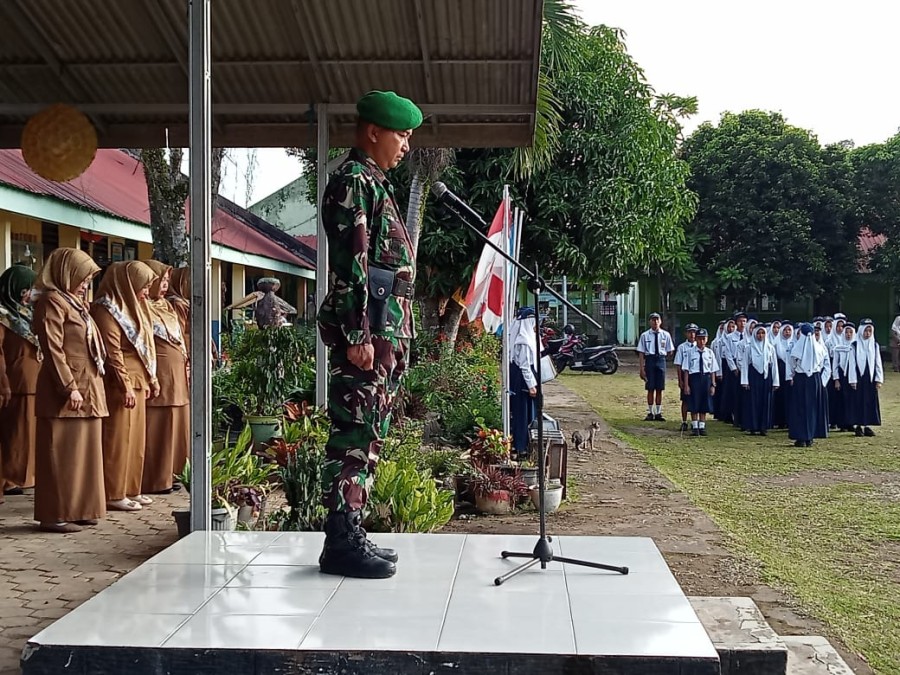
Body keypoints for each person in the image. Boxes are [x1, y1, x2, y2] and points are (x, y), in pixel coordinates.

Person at [316, 90, 422, 579]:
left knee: (370, 434)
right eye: (401, 134)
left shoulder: (375, 182)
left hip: (383, 334)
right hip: (367, 335)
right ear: (372, 131)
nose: (405, 145)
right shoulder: (354, 181)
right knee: (354, 435)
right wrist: (359, 334)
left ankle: (351, 526)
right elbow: (353, 264)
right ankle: (340, 541)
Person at [31, 248, 108, 533]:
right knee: (61, 454)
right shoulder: (52, 301)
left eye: (89, 278)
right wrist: (69, 387)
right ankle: (55, 514)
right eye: (83, 276)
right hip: (66, 390)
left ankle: (81, 509)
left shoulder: (74, 303)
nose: (86, 283)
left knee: (84, 454)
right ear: (66, 273)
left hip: (88, 387)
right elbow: (53, 349)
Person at [91, 261, 159, 513]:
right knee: (118, 439)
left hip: (138, 379)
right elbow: (113, 351)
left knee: (136, 440)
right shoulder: (106, 309)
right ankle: (113, 491)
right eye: (143, 286)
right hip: (121, 383)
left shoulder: (134, 307)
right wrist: (125, 385)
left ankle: (131, 487)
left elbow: (147, 345)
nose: (146, 291)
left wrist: (151, 378)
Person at [141, 260, 189, 495]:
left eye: (167, 281)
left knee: (177, 422)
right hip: (160, 372)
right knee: (159, 425)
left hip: (177, 372)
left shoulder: (166, 306)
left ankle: (173, 473)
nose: (164, 286)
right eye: (161, 281)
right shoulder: (142, 306)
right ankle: (155, 477)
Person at [0, 265, 40, 496]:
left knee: (27, 433)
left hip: (32, 381)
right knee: (14, 432)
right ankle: (10, 478)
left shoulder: (24, 313)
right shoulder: (3, 316)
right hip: (14, 382)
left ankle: (25, 476)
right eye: (26, 289)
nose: (29, 294)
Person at [786, 323, 830, 447]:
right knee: (807, 408)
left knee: (804, 408)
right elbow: (821, 364)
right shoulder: (819, 348)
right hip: (812, 379)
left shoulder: (796, 349)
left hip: (802, 379)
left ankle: (805, 436)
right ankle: (807, 436)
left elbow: (792, 365)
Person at [509, 307, 540, 459]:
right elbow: (525, 366)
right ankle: (521, 446)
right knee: (523, 414)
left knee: (523, 413)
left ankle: (522, 444)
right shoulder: (524, 341)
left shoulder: (524, 337)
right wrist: (531, 386)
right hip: (523, 381)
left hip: (520, 378)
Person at [741, 324, 780, 435]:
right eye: (758, 333)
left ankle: (764, 427)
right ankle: (753, 427)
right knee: (753, 402)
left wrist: (775, 381)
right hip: (753, 376)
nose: (760, 335)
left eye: (763, 333)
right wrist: (745, 381)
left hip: (766, 377)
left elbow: (774, 365)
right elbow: (744, 364)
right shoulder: (749, 347)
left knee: (765, 402)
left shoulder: (770, 347)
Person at [636, 312, 674, 421]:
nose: (655, 322)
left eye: (657, 320)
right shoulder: (645, 335)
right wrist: (641, 368)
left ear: (660, 321)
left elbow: (670, 350)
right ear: (650, 322)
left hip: (660, 360)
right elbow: (641, 352)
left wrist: (663, 357)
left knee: (659, 388)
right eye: (653, 320)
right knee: (650, 387)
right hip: (650, 360)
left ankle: (658, 412)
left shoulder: (665, 335)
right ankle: (650, 412)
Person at [682, 328, 719, 436]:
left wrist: (713, 384)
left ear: (707, 339)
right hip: (694, 378)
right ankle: (695, 426)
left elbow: (712, 370)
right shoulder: (690, 352)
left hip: (706, 379)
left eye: (703, 339)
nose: (701, 341)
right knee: (694, 402)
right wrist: (686, 385)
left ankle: (702, 426)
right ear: (696, 339)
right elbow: (686, 370)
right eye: (699, 339)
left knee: (704, 402)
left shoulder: (710, 353)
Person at [850, 319, 883, 437]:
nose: (867, 333)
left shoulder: (874, 345)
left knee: (869, 401)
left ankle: (867, 425)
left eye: (870, 331)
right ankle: (858, 426)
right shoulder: (854, 345)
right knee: (858, 401)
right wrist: (853, 379)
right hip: (859, 377)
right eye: (866, 330)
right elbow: (852, 364)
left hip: (870, 378)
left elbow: (878, 362)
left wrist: (878, 379)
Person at [831, 322, 858, 433]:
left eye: (851, 332)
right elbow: (835, 364)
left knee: (852, 400)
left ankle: (851, 422)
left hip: (853, 376)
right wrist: (836, 379)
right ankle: (842, 424)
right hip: (842, 375)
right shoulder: (838, 347)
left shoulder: (856, 346)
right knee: (841, 400)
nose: (848, 334)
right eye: (846, 332)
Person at [674, 323, 698, 432]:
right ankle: (684, 421)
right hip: (685, 375)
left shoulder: (700, 346)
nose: (692, 335)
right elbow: (679, 365)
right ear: (686, 334)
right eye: (690, 332)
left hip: (696, 375)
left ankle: (695, 422)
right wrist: (680, 380)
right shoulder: (682, 347)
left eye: (694, 332)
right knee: (685, 400)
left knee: (696, 400)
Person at [772, 323, 794, 429]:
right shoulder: (776, 343)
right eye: (785, 330)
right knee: (780, 397)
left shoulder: (795, 344)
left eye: (789, 330)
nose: (787, 332)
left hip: (790, 373)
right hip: (780, 370)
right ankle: (779, 420)